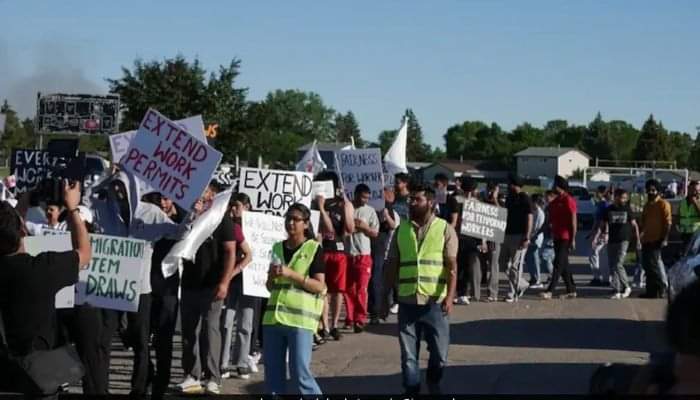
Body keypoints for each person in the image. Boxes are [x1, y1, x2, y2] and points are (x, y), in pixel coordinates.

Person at [86, 171, 187, 396]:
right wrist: (105, 175)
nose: (118, 191)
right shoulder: (105, 209)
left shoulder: (150, 213)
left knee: (141, 342)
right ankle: (100, 389)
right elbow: (84, 199)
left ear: (133, 188)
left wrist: (192, 214)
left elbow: (179, 232)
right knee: (103, 340)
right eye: (115, 186)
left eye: (122, 186)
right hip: (111, 288)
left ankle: (139, 389)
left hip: (141, 289)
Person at [0, 181, 91, 397]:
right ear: (23, 228)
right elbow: (85, 252)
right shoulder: (43, 268)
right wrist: (73, 209)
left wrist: (25, 200)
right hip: (37, 378)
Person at [382, 184, 458, 395]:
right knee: (408, 356)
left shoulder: (445, 229)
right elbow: (391, 266)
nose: (411, 203)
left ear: (431, 203)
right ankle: (412, 389)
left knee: (439, 354)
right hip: (407, 302)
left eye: (417, 200)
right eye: (411, 199)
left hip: (435, 303)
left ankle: (434, 378)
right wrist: (384, 298)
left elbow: (452, 267)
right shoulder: (401, 230)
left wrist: (450, 297)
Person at [263, 203, 326, 395]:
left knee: (301, 375)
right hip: (273, 320)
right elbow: (269, 286)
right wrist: (272, 277)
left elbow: (320, 286)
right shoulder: (277, 247)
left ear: (306, 224)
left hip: (300, 322)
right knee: (273, 378)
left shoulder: (314, 249)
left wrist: (292, 275)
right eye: (288, 218)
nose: (290, 223)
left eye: (296, 219)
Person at [178, 195, 237, 395]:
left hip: (212, 284)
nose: (201, 201)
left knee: (211, 330)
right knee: (188, 331)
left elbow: (231, 252)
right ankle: (192, 375)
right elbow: (178, 240)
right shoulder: (188, 216)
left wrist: (224, 282)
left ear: (213, 197)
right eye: (198, 197)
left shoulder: (221, 219)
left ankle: (213, 377)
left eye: (205, 197)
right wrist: (191, 216)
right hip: (189, 282)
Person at [314, 171, 354, 341]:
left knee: (338, 291)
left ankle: (335, 324)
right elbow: (320, 231)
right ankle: (324, 325)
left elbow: (347, 229)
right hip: (322, 252)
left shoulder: (342, 204)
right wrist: (321, 208)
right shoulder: (315, 204)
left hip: (338, 252)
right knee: (323, 290)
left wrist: (346, 209)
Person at [221, 193, 256, 380]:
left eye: (238, 205)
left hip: (250, 282)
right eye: (232, 205)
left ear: (247, 207)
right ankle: (223, 362)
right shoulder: (229, 226)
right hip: (232, 282)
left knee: (246, 323)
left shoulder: (256, 226)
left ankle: (242, 363)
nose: (234, 209)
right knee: (226, 322)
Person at [345, 184, 379, 332]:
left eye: (367, 198)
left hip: (363, 255)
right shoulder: (348, 208)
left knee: (361, 289)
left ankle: (360, 318)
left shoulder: (370, 211)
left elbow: (375, 233)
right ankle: (350, 317)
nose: (365, 200)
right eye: (363, 197)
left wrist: (365, 227)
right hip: (348, 254)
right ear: (356, 194)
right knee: (348, 289)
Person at [598, 189, 640, 299]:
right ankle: (617, 289)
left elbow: (634, 224)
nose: (623, 200)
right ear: (615, 197)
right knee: (612, 265)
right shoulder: (609, 209)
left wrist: (638, 239)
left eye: (625, 198)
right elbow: (602, 224)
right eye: (622, 197)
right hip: (612, 240)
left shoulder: (627, 209)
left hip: (624, 240)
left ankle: (627, 286)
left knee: (618, 263)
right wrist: (598, 235)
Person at [448, 176, 484, 304]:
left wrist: (483, 241)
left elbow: (482, 224)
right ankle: (456, 292)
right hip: (459, 237)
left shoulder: (477, 203)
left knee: (468, 266)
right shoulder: (456, 200)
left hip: (472, 238)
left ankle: (464, 292)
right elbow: (454, 220)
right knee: (458, 265)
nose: (470, 192)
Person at [541, 175, 578, 300]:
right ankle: (571, 290)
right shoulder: (555, 201)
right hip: (556, 236)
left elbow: (573, 222)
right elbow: (549, 217)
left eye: (555, 185)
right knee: (564, 265)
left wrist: (573, 239)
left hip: (566, 237)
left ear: (560, 187)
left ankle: (550, 291)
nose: (553, 187)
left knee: (557, 264)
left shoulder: (569, 200)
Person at [500, 173, 533, 302]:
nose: (508, 185)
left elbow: (529, 217)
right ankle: (521, 284)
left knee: (514, 265)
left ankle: (512, 292)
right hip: (507, 234)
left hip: (519, 236)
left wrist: (527, 236)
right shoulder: (509, 198)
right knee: (503, 264)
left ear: (515, 185)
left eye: (510, 183)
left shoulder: (525, 198)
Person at [368, 187, 398, 324]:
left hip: (380, 247)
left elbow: (393, 225)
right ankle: (371, 310)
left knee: (377, 280)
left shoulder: (387, 207)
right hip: (366, 246)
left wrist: (385, 214)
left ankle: (378, 312)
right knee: (369, 281)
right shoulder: (368, 207)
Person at [639, 179, 672, 299]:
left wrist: (665, 238)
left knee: (654, 266)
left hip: (657, 240)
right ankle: (650, 291)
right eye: (648, 190)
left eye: (653, 190)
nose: (650, 192)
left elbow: (668, 223)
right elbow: (643, 222)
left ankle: (660, 290)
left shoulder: (663, 204)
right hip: (646, 240)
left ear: (658, 191)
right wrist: (640, 236)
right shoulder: (647, 205)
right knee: (647, 266)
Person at [481, 181, 502, 301]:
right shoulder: (483, 200)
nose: (490, 191)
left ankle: (492, 292)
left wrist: (495, 199)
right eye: (489, 188)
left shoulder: (501, 201)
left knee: (493, 265)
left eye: (493, 189)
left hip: (494, 237)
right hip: (482, 236)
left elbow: (501, 215)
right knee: (482, 265)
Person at [588, 186, 610, 286]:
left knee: (596, 255)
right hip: (599, 232)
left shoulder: (603, 205)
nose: (596, 194)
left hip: (601, 233)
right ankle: (603, 278)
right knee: (599, 255)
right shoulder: (601, 204)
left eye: (597, 192)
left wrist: (599, 234)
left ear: (601, 193)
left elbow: (602, 221)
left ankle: (599, 277)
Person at [525, 194, 546, 289]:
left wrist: (532, 236)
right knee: (529, 259)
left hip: (536, 239)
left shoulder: (540, 213)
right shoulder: (533, 211)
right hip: (530, 238)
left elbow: (538, 228)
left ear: (535, 202)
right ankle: (533, 278)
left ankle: (537, 280)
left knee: (535, 260)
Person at [678, 180, 700, 250]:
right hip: (684, 232)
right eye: (692, 189)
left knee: (688, 253)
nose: (695, 192)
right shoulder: (683, 202)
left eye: (697, 190)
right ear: (688, 189)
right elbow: (679, 215)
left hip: (696, 233)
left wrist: (695, 203)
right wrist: (678, 228)